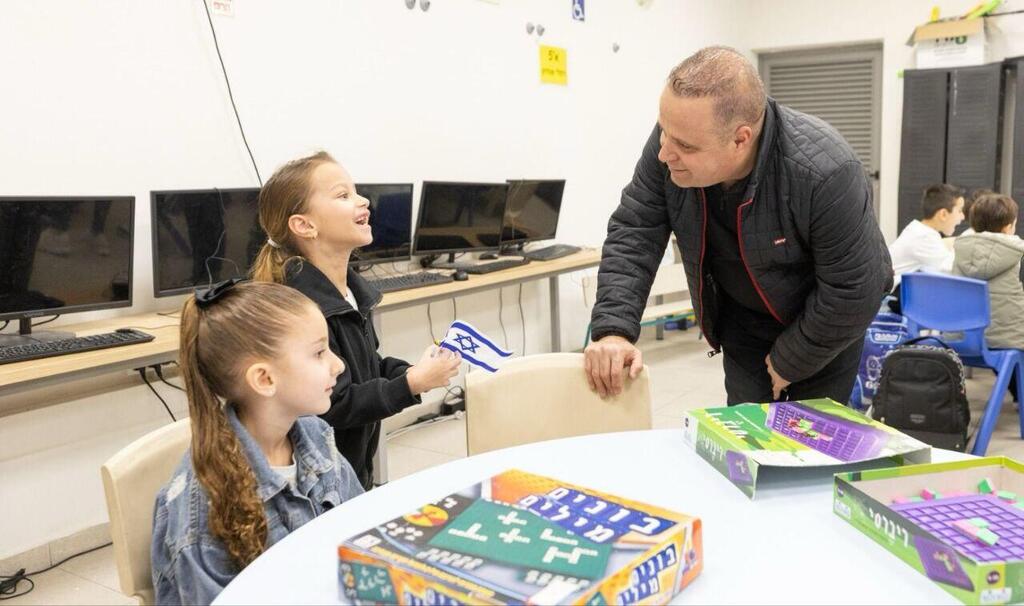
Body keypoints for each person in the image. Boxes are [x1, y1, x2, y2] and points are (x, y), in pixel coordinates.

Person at [585, 46, 892, 405]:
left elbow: (855, 288)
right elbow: (636, 231)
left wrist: (789, 361)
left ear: (741, 138)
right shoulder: (672, 143)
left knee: (812, 448)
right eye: (663, 131)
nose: (664, 152)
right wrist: (613, 331)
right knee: (748, 440)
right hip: (743, 325)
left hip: (823, 327)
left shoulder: (825, 171)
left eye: (684, 145)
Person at [251, 152, 460, 488]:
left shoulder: (348, 292)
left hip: (349, 473)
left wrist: (408, 372)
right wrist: (413, 385)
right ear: (304, 225)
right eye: (343, 195)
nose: (363, 201)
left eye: (356, 191)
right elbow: (334, 404)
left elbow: (365, 364)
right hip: (320, 487)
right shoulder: (301, 308)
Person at [151, 280, 363, 605]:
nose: (339, 364)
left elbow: (362, 530)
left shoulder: (316, 436)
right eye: (320, 353)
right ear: (264, 379)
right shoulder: (201, 508)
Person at [953, 193, 1024, 349]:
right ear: (1008, 227)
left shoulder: (962, 249)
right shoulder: (1016, 250)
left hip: (958, 336)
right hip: (1008, 339)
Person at [889, 183, 965, 285]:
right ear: (943, 214)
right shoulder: (924, 238)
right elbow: (953, 268)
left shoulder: (918, 231)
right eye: (960, 211)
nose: (963, 217)